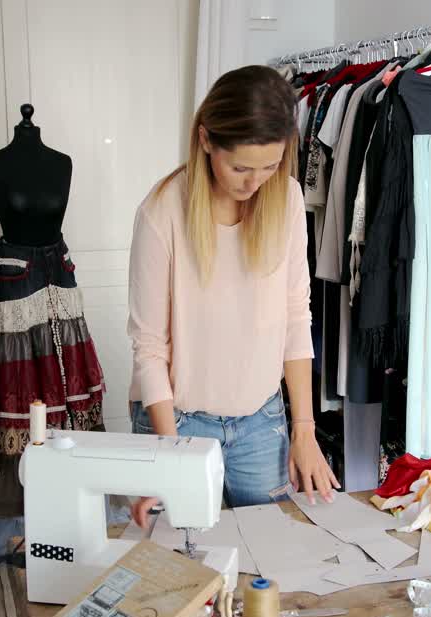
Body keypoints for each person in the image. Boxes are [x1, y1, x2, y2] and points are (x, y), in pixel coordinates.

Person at [127, 65, 338, 528]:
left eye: (269, 166)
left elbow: (294, 319)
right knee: (180, 569)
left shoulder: (285, 199)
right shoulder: (162, 212)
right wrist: (171, 456)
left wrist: (304, 429)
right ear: (206, 141)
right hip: (176, 420)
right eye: (240, 167)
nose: (254, 182)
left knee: (273, 557)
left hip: (261, 421)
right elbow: (149, 348)